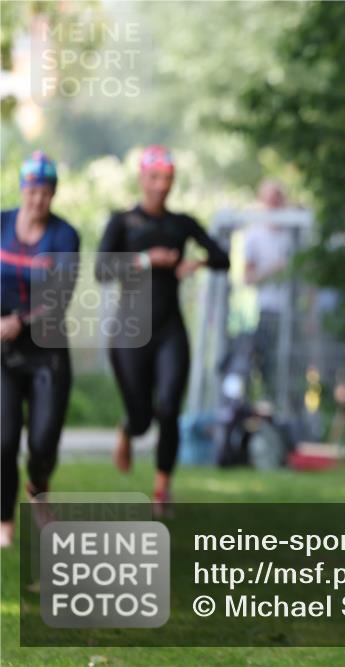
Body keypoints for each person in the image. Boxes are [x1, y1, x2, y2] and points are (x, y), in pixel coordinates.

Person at [96, 145, 229, 514]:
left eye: (167, 179)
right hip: (130, 330)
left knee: (169, 408)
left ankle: (161, 492)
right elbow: (101, 270)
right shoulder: (123, 222)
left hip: (170, 329)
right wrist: (145, 259)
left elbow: (223, 258)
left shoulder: (181, 223)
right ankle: (127, 429)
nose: (161, 186)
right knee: (142, 419)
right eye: (154, 178)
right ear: (142, 179)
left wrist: (196, 264)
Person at [1, 152, 81, 547]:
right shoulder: (0, 224)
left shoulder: (64, 235)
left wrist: (20, 321)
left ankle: (38, 485)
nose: (38, 200)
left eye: (46, 192)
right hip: (3, 355)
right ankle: (4, 524)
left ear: (53, 194)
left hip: (47, 351)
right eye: (33, 191)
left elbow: (62, 294)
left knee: (43, 441)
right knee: (2, 440)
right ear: (22, 189)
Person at [243, 179, 293, 401]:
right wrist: (274, 269)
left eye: (277, 199)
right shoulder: (254, 235)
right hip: (268, 309)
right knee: (267, 363)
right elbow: (247, 277)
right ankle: (269, 401)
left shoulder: (294, 233)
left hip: (294, 312)